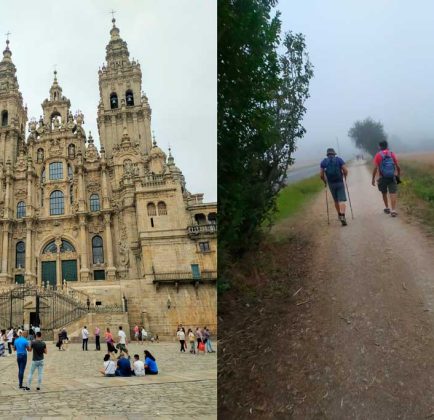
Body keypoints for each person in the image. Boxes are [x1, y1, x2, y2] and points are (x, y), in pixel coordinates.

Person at [372, 140, 401, 217]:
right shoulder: (391, 154)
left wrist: (373, 179)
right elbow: (398, 166)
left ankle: (387, 208)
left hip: (382, 178)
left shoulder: (378, 155)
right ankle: (393, 210)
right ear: (387, 146)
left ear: (379, 146)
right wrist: (398, 175)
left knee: (384, 193)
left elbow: (375, 168)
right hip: (392, 176)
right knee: (393, 193)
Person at [320, 148, 349, 226]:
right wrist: (345, 177)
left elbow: (321, 175)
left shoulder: (324, 162)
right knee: (342, 200)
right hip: (339, 182)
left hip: (331, 184)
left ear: (327, 154)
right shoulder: (339, 160)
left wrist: (325, 182)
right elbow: (345, 170)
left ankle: (339, 215)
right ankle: (343, 215)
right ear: (334, 154)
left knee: (336, 200)